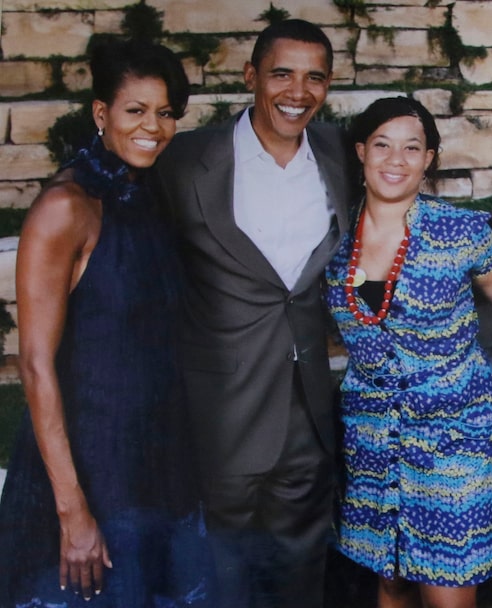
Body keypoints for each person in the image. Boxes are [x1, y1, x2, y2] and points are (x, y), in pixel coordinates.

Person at [152, 19, 357, 608]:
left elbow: (402, 183)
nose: (299, 91)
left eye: (315, 77)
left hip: (306, 409)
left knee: (300, 571)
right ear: (251, 77)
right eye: (282, 74)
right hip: (219, 410)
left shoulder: (340, 153)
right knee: (222, 574)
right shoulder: (186, 160)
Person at [0, 38, 211, 607]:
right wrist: (72, 511)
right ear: (101, 114)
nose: (155, 127)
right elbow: (37, 367)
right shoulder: (65, 207)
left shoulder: (149, 193)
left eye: (166, 113)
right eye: (136, 110)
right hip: (92, 468)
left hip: (160, 462)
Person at [325, 96, 492, 608]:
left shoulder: (462, 232)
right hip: (374, 439)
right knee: (391, 580)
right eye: (382, 145)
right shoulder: (333, 239)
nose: (395, 159)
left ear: (428, 159)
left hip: (454, 439)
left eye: (412, 147)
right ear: (361, 151)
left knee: (448, 590)